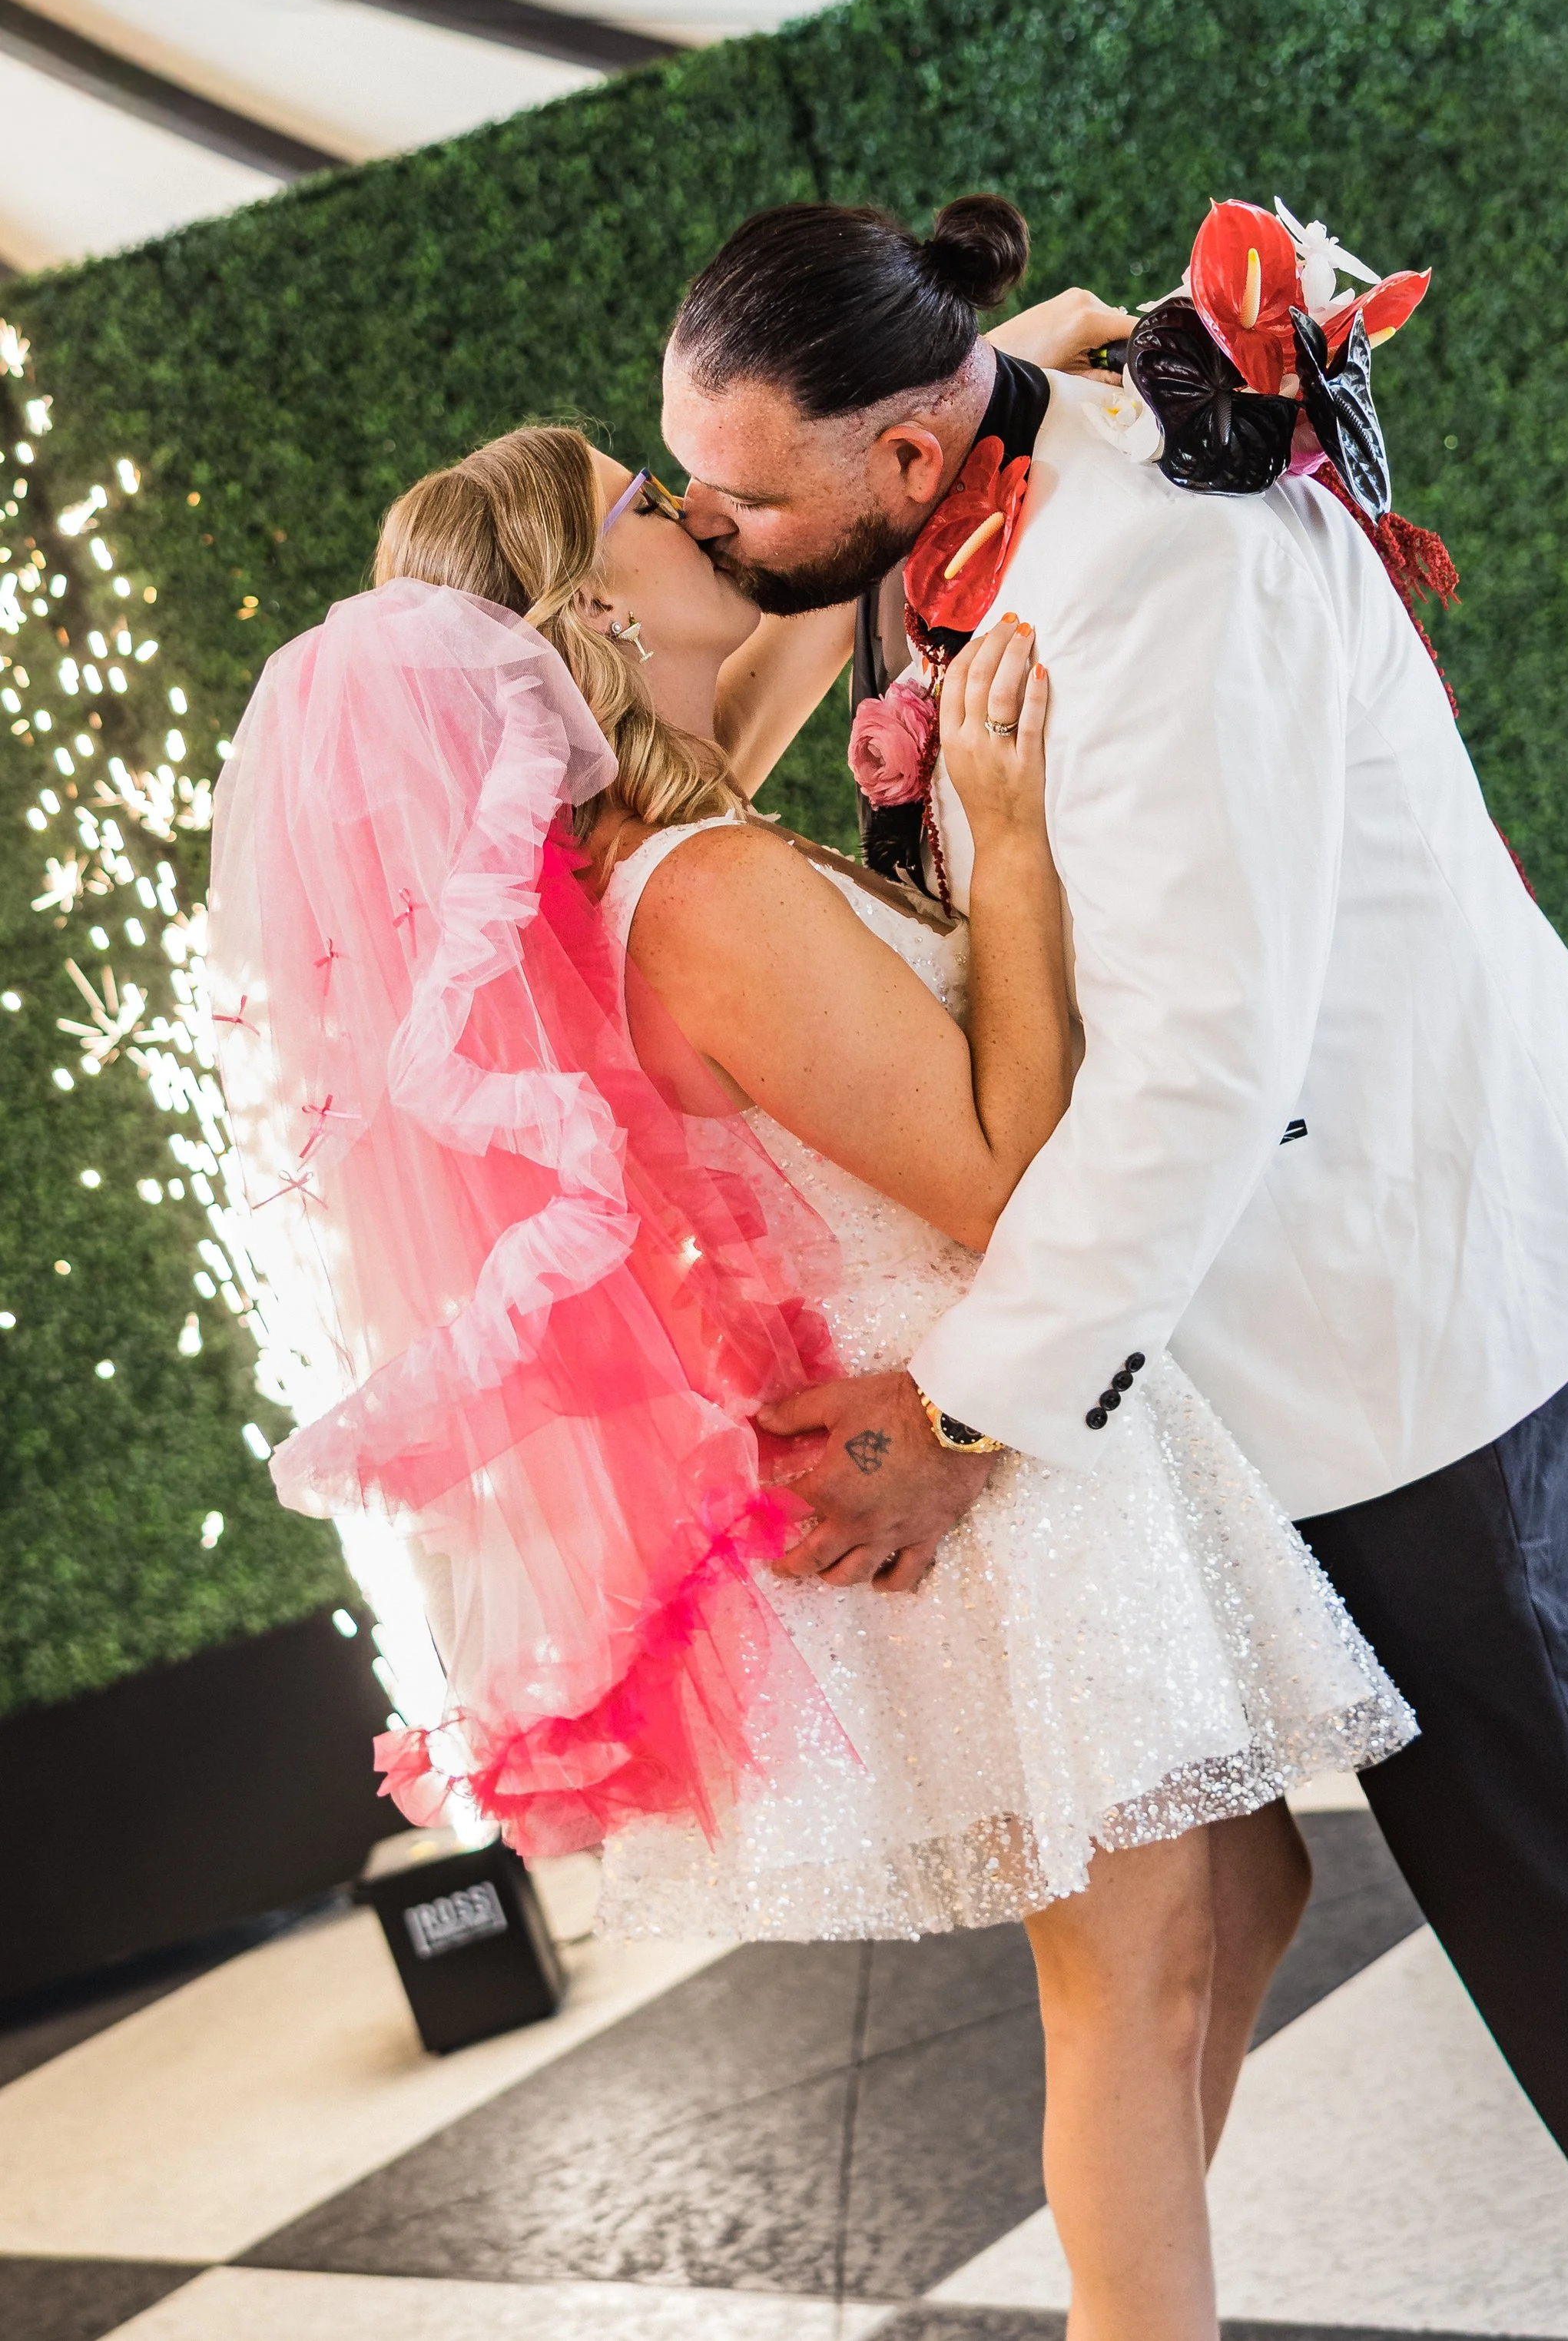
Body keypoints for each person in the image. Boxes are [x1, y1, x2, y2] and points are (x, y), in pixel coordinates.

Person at [646, 190, 1568, 2341]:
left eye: (740, 498)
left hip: (1417, 1329)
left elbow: (1203, 1075)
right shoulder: (974, 479)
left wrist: (966, 1405)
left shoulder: (1154, 572)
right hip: (1296, 1331)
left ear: (894, 454)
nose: (711, 532)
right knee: (1556, 1906)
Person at [310, 419, 1414, 2341]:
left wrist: (1016, 370)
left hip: (995, 1421)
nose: (692, 506)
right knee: (1137, 1984)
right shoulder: (706, 883)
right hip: (997, 1461)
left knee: (1239, 1904)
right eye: (644, 500)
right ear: (585, 606)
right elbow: (1004, 1168)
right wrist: (1019, 840)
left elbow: (788, 625)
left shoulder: (635, 839)